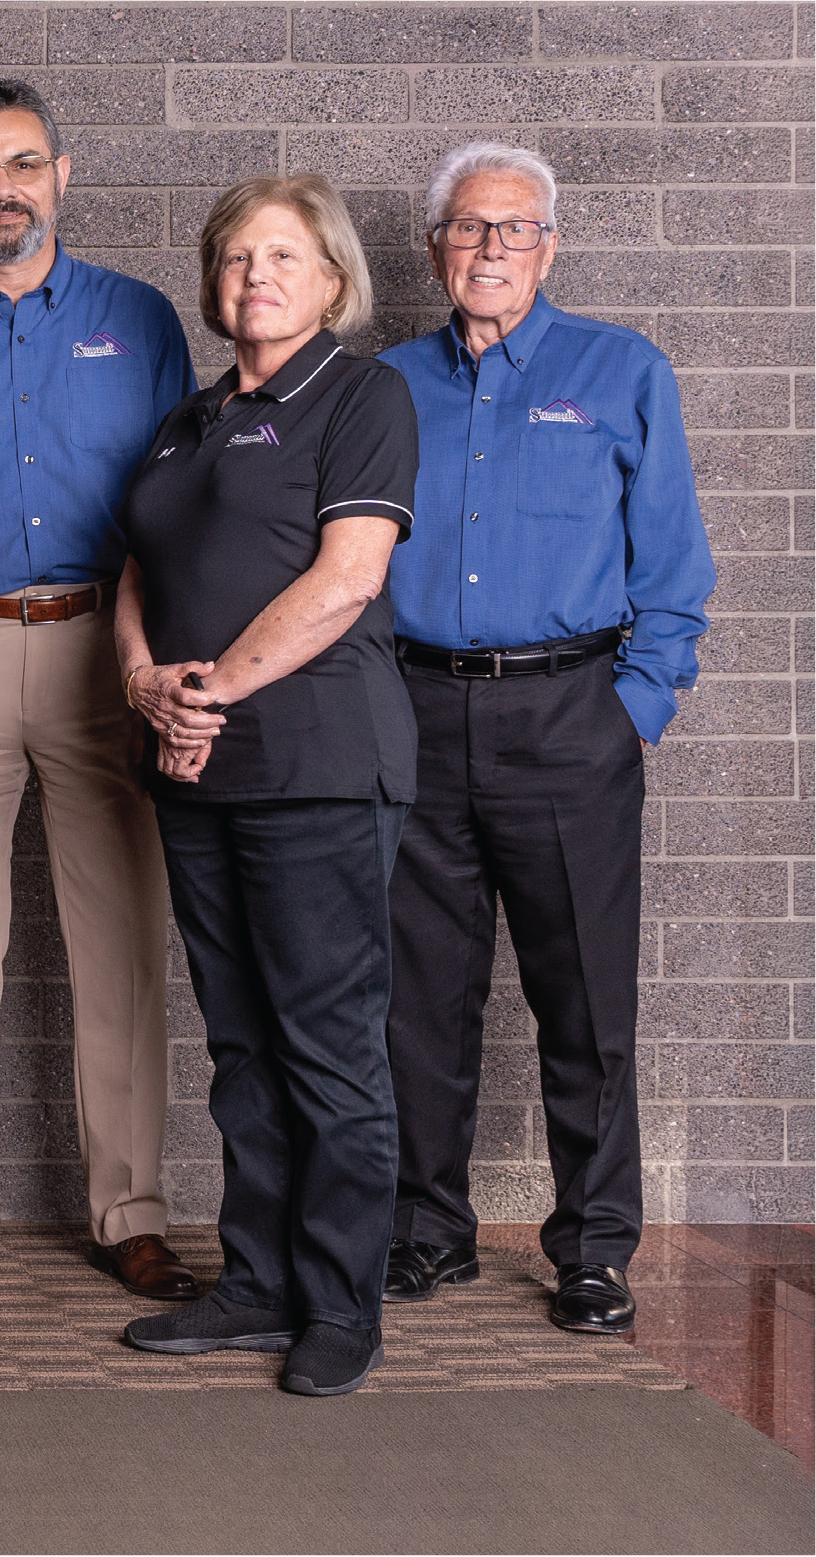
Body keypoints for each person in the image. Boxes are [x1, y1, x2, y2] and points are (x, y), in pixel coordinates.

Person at [379, 144, 715, 1337]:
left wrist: (630, 714)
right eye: (468, 229)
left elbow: (673, 569)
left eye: (514, 231)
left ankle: (591, 1248)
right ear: (433, 249)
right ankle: (425, 1233)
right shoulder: (381, 386)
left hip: (570, 719)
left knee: (583, 1001)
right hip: (413, 716)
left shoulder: (619, 372)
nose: (489, 251)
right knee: (418, 1000)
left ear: (549, 248)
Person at [0, 78, 199, 1302]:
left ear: (62, 173)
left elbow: (178, 496)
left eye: (20, 165)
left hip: (102, 647)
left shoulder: (143, 314)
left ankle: (129, 1209)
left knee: (118, 934)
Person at [109, 174, 419, 1398]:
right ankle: (253, 1282)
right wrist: (144, 683)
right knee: (238, 1042)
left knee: (324, 1044)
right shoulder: (186, 419)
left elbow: (346, 578)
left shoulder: (361, 395)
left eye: (283, 257)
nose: (255, 278)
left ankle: (339, 1303)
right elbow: (135, 559)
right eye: (236, 258)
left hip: (316, 768)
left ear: (332, 279)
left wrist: (210, 694)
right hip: (196, 771)